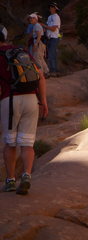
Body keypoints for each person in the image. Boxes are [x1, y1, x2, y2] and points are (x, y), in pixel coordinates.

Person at [0, 25, 48, 195]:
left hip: (10, 100)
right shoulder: (21, 51)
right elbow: (40, 76)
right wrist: (43, 101)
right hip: (31, 100)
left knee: (10, 143)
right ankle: (26, 175)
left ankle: (11, 180)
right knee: (27, 143)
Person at [41, 2, 61, 75]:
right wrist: (44, 29)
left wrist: (44, 26)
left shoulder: (56, 17)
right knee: (50, 54)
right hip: (49, 38)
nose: (51, 8)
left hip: (54, 37)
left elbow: (53, 29)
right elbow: (48, 27)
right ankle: (54, 70)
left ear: (56, 9)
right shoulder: (50, 17)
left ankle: (53, 71)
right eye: (50, 7)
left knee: (51, 54)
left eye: (53, 7)